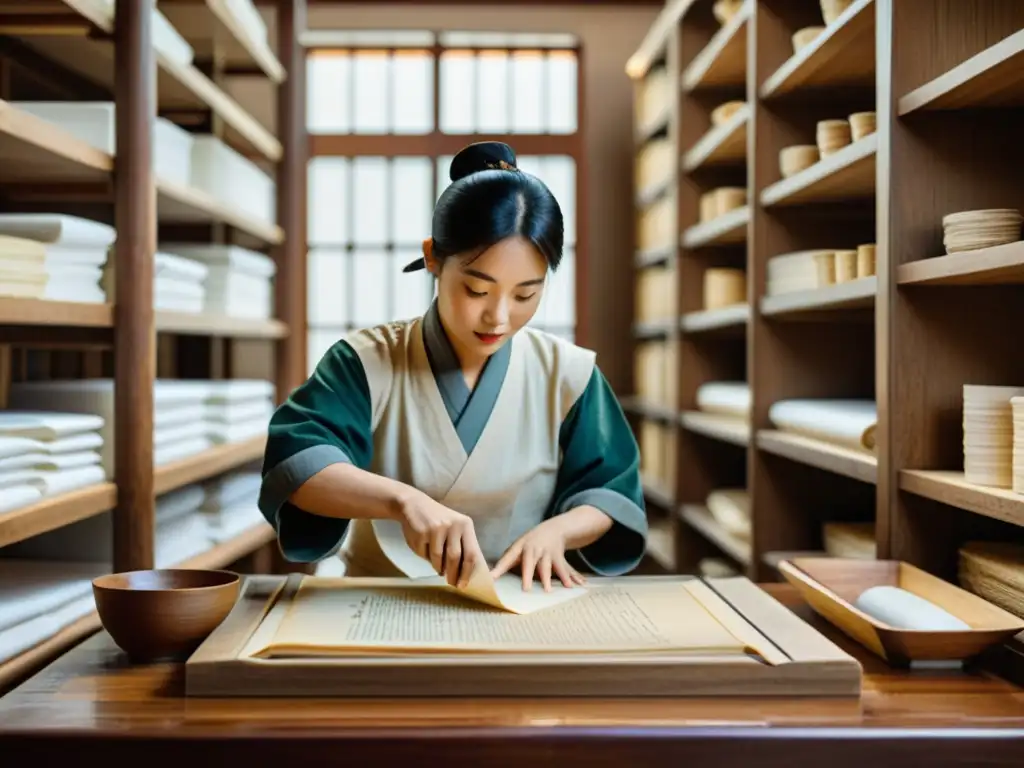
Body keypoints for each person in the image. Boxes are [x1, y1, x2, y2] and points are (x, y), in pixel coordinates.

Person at [258, 141, 647, 593]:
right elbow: (297, 464)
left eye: (525, 295)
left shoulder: (569, 374)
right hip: (380, 600)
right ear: (433, 259)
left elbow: (612, 490)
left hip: (519, 599)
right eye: (477, 291)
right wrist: (401, 500)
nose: (499, 317)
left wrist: (559, 531)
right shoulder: (365, 361)